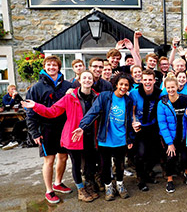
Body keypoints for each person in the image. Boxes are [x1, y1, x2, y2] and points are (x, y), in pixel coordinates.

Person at [22, 71, 99, 202]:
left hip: (91, 136)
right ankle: (80, 189)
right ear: (79, 80)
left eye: (90, 78)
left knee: (90, 163)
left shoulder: (97, 97)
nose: (87, 80)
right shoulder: (70, 97)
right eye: (84, 78)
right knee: (76, 164)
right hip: (73, 137)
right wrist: (35, 106)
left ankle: (88, 185)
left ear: (93, 81)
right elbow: (52, 111)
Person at [72, 73, 135, 201]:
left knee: (120, 164)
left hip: (121, 139)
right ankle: (108, 186)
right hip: (105, 139)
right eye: (121, 84)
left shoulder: (128, 100)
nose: (123, 87)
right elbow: (93, 112)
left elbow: (129, 120)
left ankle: (120, 184)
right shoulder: (105, 96)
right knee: (105, 165)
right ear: (116, 84)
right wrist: (82, 126)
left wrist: (130, 138)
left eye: (126, 85)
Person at [25, 56, 73, 204]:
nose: (52, 67)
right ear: (44, 67)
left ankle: (58, 183)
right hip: (46, 128)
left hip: (63, 128)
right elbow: (30, 112)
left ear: (59, 67)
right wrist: (34, 132)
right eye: (49, 65)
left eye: (54, 65)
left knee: (63, 157)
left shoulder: (67, 85)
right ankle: (49, 190)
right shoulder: (36, 88)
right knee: (49, 160)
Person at [157, 75, 187, 193]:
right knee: (170, 157)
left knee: (186, 156)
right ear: (165, 88)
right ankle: (169, 180)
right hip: (170, 136)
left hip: (184, 134)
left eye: (173, 87)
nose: (171, 90)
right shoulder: (162, 103)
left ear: (177, 87)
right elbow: (162, 124)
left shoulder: (186, 99)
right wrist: (169, 143)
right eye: (168, 88)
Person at [129, 69, 162, 191]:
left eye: (150, 80)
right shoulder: (135, 93)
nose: (147, 82)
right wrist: (133, 121)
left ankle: (147, 173)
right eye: (145, 80)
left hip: (153, 125)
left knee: (154, 154)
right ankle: (141, 179)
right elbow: (132, 110)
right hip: (140, 126)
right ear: (141, 80)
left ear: (154, 81)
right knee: (141, 154)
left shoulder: (160, 93)